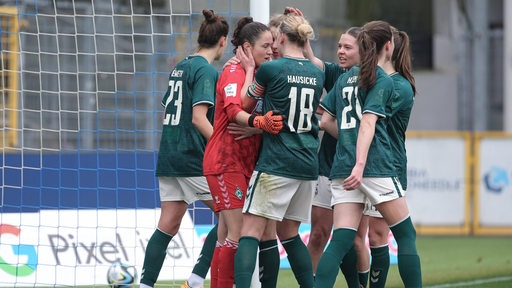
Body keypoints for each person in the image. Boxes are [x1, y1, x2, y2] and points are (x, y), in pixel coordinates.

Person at [315, 20, 422, 287]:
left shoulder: (346, 78)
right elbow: (369, 122)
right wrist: (361, 162)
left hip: (341, 167)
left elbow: (325, 120)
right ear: (388, 46)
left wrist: (350, 144)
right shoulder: (382, 80)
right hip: (376, 166)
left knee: (341, 240)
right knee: (406, 235)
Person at [233, 13, 325, 288]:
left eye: (275, 38)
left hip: (277, 161)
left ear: (282, 38)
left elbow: (245, 104)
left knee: (249, 231)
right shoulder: (316, 71)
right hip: (308, 163)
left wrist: (249, 68)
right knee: (289, 233)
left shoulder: (271, 70)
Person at [138, 10, 229, 288]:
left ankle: (145, 285)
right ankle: (196, 280)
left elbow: (167, 111)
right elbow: (198, 117)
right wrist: (222, 147)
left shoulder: (181, 66)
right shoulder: (206, 70)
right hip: (193, 157)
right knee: (230, 215)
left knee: (168, 224)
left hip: (169, 154)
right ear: (223, 41)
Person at [202, 16, 278, 288]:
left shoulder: (259, 74)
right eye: (266, 46)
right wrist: (260, 123)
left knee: (225, 234)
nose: (271, 51)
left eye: (273, 46)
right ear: (247, 47)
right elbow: (234, 112)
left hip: (242, 163)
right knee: (237, 233)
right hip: (226, 162)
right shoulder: (234, 72)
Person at [353, 26, 417, 288]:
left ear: (388, 48)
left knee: (379, 235)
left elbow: (369, 118)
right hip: (367, 164)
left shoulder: (399, 86)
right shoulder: (368, 79)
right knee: (357, 237)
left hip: (387, 164)